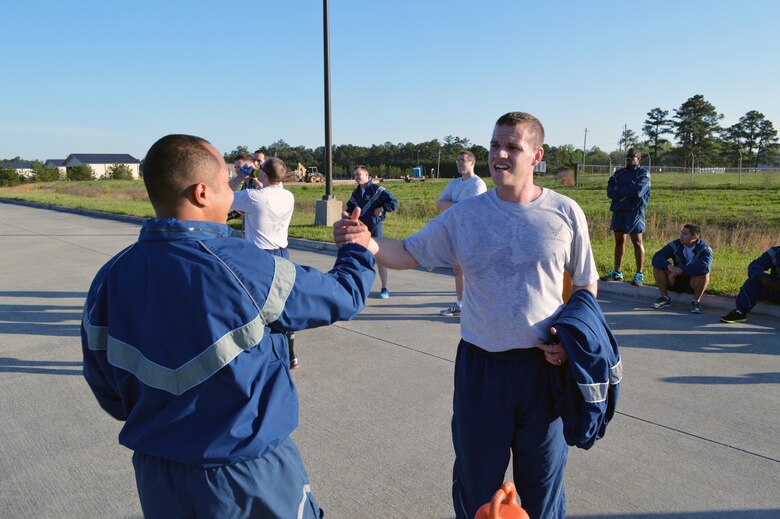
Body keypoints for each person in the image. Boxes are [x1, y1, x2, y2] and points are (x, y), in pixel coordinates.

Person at [81, 134, 376, 519]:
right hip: (248, 474)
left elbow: (106, 387)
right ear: (203, 193)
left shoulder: (108, 279)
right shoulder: (244, 268)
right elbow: (342, 296)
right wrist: (357, 250)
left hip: (158, 478)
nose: (232, 193)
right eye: (226, 184)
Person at [335, 112, 599, 519]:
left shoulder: (565, 212)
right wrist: (367, 241)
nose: (500, 154)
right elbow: (406, 252)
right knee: (478, 490)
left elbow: (585, 285)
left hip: (544, 372)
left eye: (512, 146)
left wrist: (570, 340)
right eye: (495, 145)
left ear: (537, 156)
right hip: (482, 369)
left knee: (542, 489)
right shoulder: (466, 216)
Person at [230, 156, 300, 368]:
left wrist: (241, 175)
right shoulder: (288, 196)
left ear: (264, 174)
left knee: (254, 307)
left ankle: (259, 356)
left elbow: (223, 195)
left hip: (258, 256)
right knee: (281, 304)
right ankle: (290, 354)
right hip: (282, 253)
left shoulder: (253, 197)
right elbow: (268, 194)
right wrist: (260, 176)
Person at [436, 150, 487, 317]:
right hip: (456, 231)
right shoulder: (454, 183)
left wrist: (453, 205)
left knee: (473, 270)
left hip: (473, 233)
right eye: (457, 160)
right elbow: (440, 203)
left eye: (462, 160)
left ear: (472, 163)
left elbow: (471, 209)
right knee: (458, 269)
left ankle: (478, 306)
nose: (459, 163)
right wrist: (459, 205)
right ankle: (460, 304)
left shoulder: (477, 184)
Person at [346, 165, 398, 298]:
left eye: (359, 174)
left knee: (380, 258)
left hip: (375, 228)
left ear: (366, 175)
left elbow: (393, 202)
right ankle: (359, 287)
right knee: (361, 258)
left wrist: (382, 208)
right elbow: (350, 208)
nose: (356, 177)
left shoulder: (377, 189)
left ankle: (384, 287)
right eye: (355, 175)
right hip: (361, 229)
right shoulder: (356, 193)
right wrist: (346, 215)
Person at [601, 147, 650, 286]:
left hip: (635, 211)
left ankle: (639, 274)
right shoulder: (618, 173)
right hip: (619, 210)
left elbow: (638, 191)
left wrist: (620, 190)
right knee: (619, 241)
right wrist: (627, 190)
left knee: (637, 242)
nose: (628, 158)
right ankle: (617, 272)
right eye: (627, 156)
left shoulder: (643, 173)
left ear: (638, 159)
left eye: (632, 156)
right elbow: (610, 192)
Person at [651, 223, 713, 313]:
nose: (681, 236)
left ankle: (696, 302)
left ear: (695, 237)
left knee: (705, 274)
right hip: (675, 279)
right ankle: (664, 298)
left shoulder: (705, 249)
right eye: (681, 233)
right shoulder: (675, 244)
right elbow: (657, 257)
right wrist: (670, 266)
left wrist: (681, 270)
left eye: (685, 234)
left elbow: (704, 267)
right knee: (658, 267)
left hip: (693, 282)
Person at [720, 245, 780, 323]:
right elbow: (755, 265)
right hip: (775, 289)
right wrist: (762, 277)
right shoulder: (775, 252)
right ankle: (740, 312)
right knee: (756, 278)